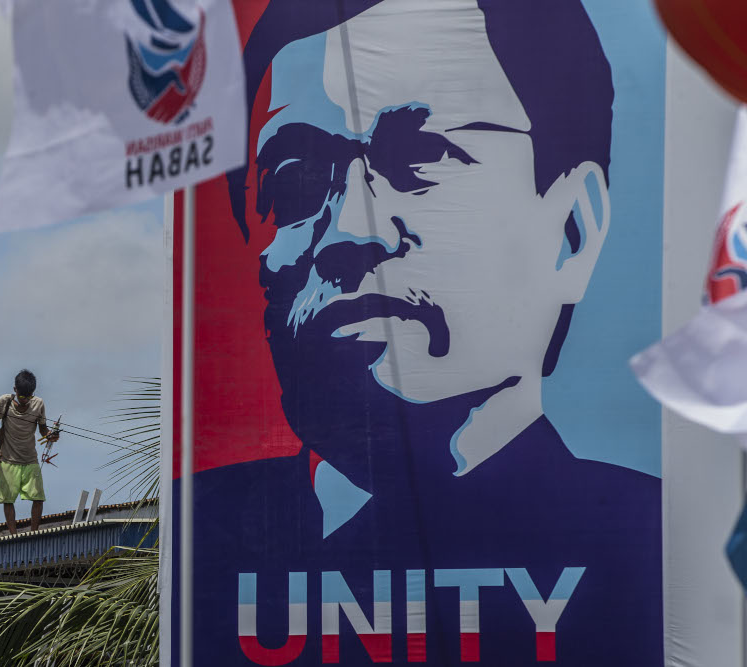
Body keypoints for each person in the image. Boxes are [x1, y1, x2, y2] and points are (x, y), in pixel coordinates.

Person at [178, 0, 662, 664]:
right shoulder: (197, 545)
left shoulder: (659, 543)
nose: (352, 228)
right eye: (294, 182)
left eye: (423, 157)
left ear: (571, 231)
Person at [0, 369, 58, 534]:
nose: (25, 400)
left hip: (30, 460)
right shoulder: (4, 402)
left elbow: (43, 430)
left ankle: (33, 533)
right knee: (7, 500)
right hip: (8, 460)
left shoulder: (38, 404)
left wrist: (50, 435)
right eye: (22, 396)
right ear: (15, 390)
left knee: (38, 498)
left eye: (29, 397)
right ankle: (14, 535)